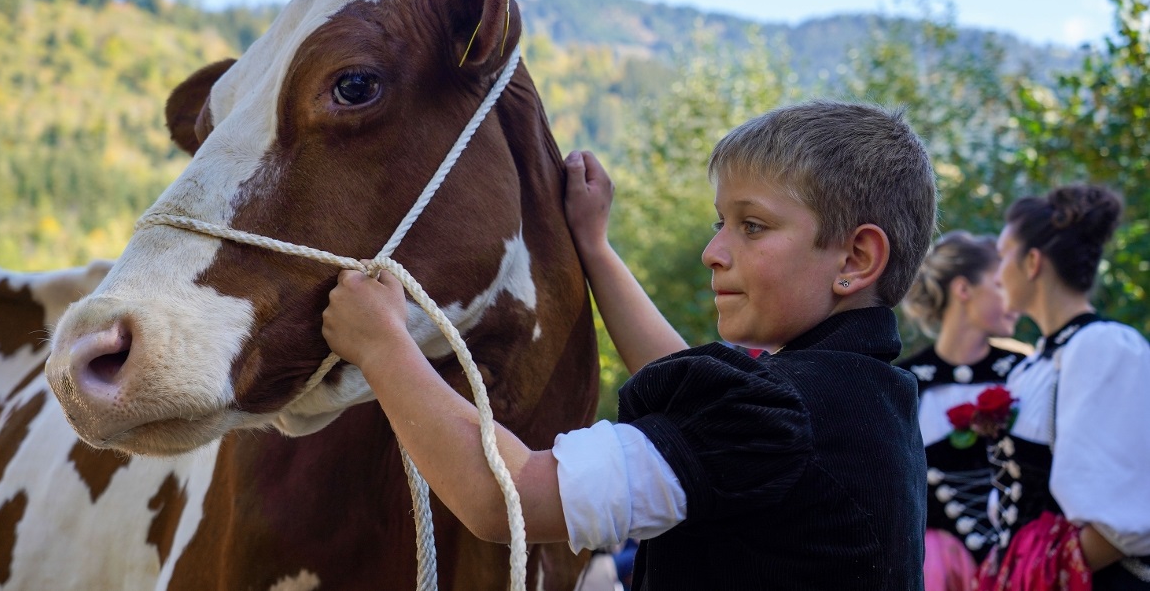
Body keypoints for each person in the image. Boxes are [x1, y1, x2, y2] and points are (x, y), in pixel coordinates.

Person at [322, 99, 936, 589]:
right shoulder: (865, 394)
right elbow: (693, 385)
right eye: (719, 223)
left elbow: (505, 498)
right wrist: (594, 247)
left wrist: (382, 346)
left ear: (856, 258)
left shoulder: (782, 418)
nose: (713, 252)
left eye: (753, 226)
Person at [978, 184, 1150, 591]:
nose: (998, 274)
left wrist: (1040, 571)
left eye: (1003, 257)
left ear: (1032, 262)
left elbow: (1127, 514)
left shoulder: (1103, 346)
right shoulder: (1035, 364)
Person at [898, 231, 1025, 590]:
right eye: (1001, 284)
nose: (1015, 299)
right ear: (963, 290)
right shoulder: (906, 383)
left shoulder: (1026, 373)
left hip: (1025, 567)